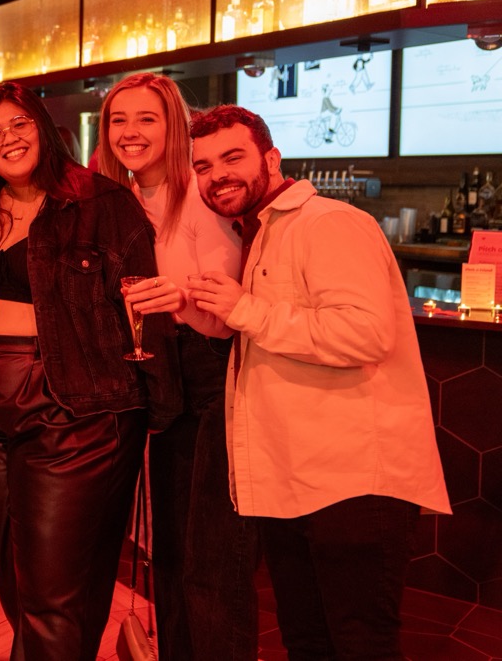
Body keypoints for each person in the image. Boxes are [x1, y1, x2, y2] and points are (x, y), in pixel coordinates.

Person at [187, 104, 450, 659]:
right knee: (308, 641)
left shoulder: (328, 222)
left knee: (360, 645)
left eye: (232, 157)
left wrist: (246, 311)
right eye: (204, 166)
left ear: (272, 158)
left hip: (354, 482)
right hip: (292, 481)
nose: (218, 175)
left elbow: (364, 334)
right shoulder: (259, 235)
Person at [0, 81, 179, 661]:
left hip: (74, 410)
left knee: (53, 595)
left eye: (19, 125)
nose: (6, 140)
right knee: (14, 579)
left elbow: (144, 309)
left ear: (45, 130)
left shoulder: (103, 203)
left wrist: (158, 408)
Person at [97, 73, 256, 660]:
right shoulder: (123, 199)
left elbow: (225, 317)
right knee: (170, 552)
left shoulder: (199, 197)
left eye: (147, 119)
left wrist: (180, 299)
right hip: (159, 380)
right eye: (118, 120)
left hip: (212, 378)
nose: (131, 132)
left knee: (211, 557)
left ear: (175, 127)